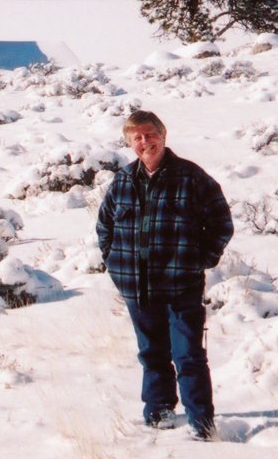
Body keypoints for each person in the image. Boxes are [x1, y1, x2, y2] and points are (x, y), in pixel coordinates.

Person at [96, 109, 233, 440]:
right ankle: (158, 413)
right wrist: (115, 262)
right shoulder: (124, 180)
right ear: (130, 144)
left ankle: (201, 424)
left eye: (150, 134)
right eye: (137, 138)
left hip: (181, 286)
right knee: (152, 354)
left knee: (188, 355)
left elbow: (221, 224)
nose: (145, 142)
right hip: (138, 288)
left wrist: (199, 259)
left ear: (163, 135)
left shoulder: (191, 177)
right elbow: (105, 226)